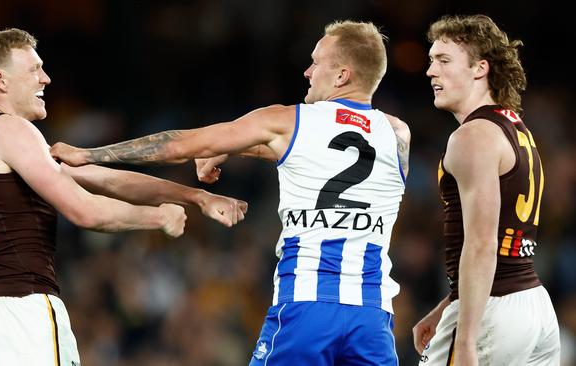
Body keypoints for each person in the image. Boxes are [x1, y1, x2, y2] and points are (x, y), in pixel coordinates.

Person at [52, 20, 410, 365]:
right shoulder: (397, 135)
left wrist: (90, 154)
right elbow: (326, 153)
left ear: (341, 75)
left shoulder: (287, 120)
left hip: (306, 303)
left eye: (315, 63)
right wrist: (230, 148)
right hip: (373, 315)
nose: (307, 72)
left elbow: (180, 145)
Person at [0, 28, 247, 366]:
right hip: (23, 313)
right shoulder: (12, 130)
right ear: (1, 80)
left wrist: (195, 197)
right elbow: (85, 211)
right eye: (34, 69)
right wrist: (158, 217)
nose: (45, 78)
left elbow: (105, 180)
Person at [412, 14, 560, 365]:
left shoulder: (473, 135)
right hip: (534, 306)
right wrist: (448, 303)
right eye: (431, 61)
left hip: (494, 312)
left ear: (480, 68)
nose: (431, 71)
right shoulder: (514, 127)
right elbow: (504, 239)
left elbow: (482, 243)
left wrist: (465, 340)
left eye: (444, 60)